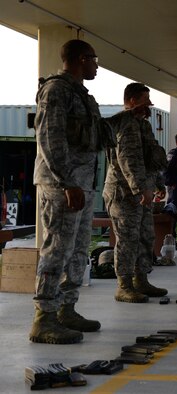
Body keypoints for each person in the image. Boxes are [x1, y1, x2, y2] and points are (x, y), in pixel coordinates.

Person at [30, 39, 102, 344]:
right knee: (57, 248)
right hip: (64, 184)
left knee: (77, 249)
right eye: (94, 60)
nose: (97, 66)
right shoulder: (56, 90)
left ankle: (66, 309)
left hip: (81, 184)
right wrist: (66, 181)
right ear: (81, 59)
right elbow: (50, 138)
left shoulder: (81, 95)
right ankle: (43, 319)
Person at [103, 82, 168, 303]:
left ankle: (141, 280)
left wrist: (157, 183)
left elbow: (148, 159)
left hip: (142, 192)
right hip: (124, 194)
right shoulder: (126, 123)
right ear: (131, 100)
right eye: (145, 99)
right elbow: (129, 159)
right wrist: (141, 188)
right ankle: (124, 285)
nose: (149, 104)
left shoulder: (143, 125)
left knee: (145, 237)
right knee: (128, 239)